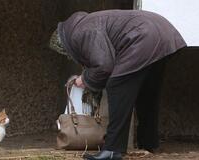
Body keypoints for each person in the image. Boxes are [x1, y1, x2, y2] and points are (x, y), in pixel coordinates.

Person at [49, 10, 186, 160]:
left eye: (66, 54)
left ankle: (112, 149)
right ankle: (148, 143)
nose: (69, 57)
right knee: (147, 92)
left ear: (65, 45)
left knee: (117, 85)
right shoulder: (86, 24)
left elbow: (104, 65)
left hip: (144, 37)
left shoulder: (81, 32)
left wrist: (85, 79)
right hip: (165, 32)